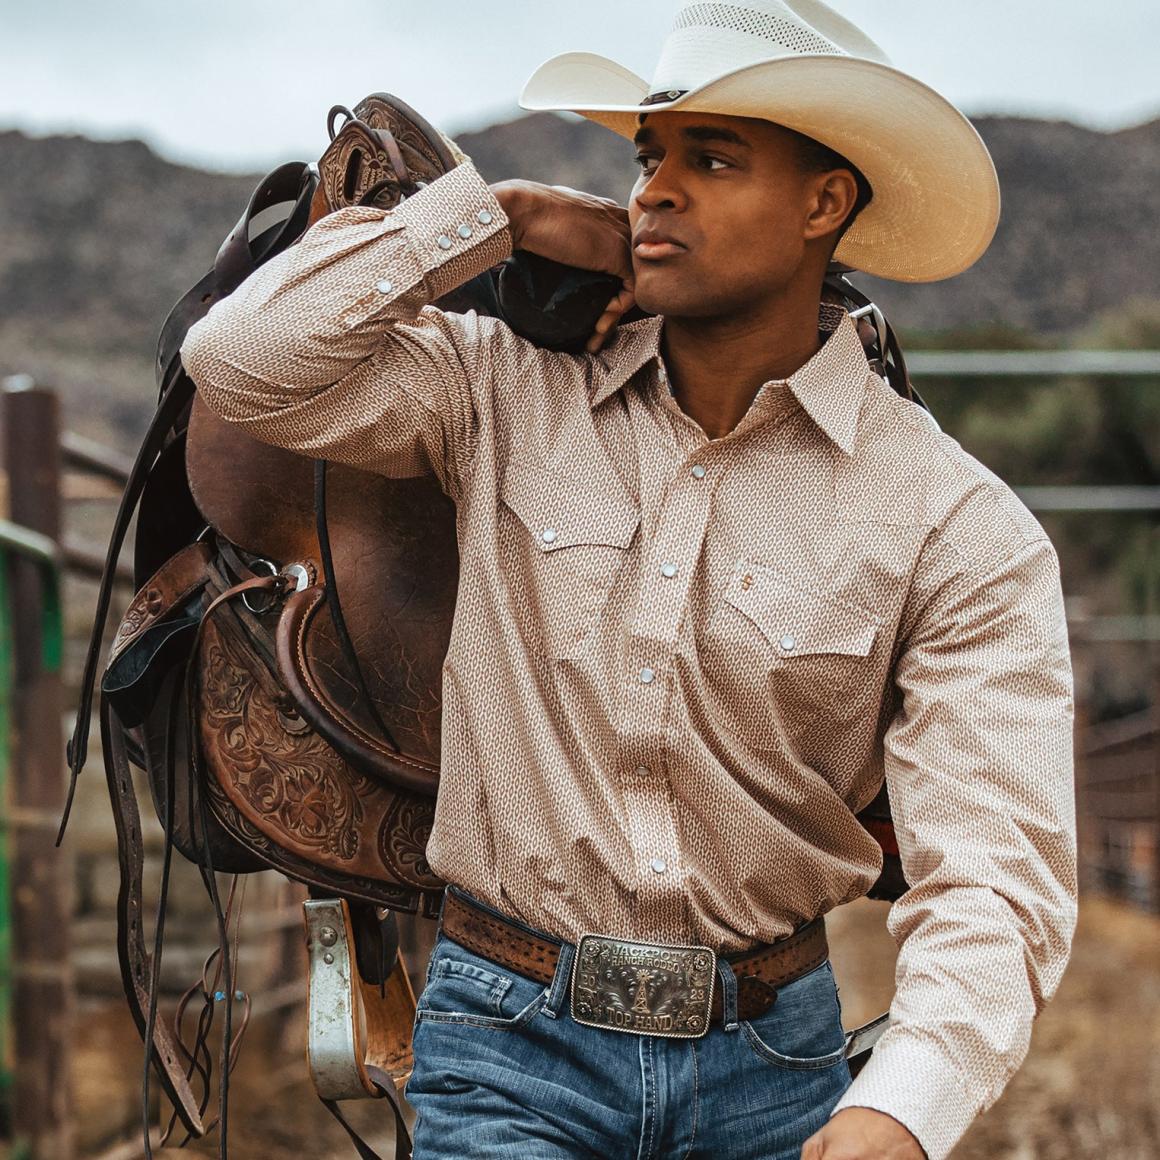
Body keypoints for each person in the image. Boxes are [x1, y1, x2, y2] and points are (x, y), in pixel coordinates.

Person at [181, 2, 1077, 1157]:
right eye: (648, 158)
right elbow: (240, 362)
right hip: (507, 1037)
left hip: (777, 1065)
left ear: (823, 203)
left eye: (710, 159)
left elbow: (994, 880)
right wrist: (492, 218)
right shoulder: (500, 393)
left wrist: (898, 1110)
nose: (654, 189)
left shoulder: (955, 524)